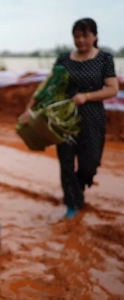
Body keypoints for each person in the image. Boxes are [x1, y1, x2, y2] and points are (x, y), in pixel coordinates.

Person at [21, 18, 118, 219]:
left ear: (95, 36)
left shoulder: (105, 58)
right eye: (77, 36)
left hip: (92, 118)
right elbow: (48, 85)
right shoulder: (64, 58)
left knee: (89, 164)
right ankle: (72, 204)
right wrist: (28, 109)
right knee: (66, 163)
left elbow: (112, 89)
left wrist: (87, 96)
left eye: (85, 36)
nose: (81, 40)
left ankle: (79, 187)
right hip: (62, 119)